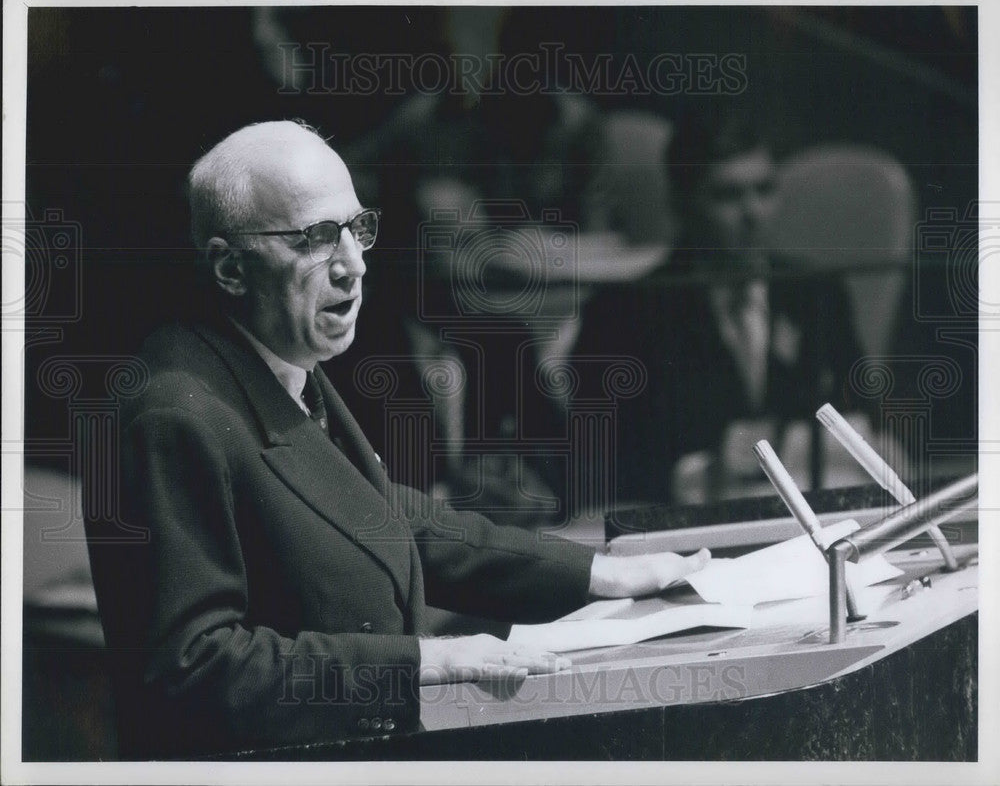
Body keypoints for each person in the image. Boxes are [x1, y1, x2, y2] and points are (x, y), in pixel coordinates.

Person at [84, 120, 710, 759]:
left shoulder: (270, 358)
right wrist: (421, 659)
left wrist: (601, 573)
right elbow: (194, 669)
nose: (353, 266)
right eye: (316, 239)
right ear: (229, 267)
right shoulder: (174, 412)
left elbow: (386, 517)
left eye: (357, 230)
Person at [575, 103, 867, 507]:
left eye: (764, 190)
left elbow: (866, 415)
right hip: (686, 529)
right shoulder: (623, 311)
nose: (752, 213)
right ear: (682, 202)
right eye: (728, 195)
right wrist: (704, 468)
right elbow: (595, 467)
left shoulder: (817, 293)